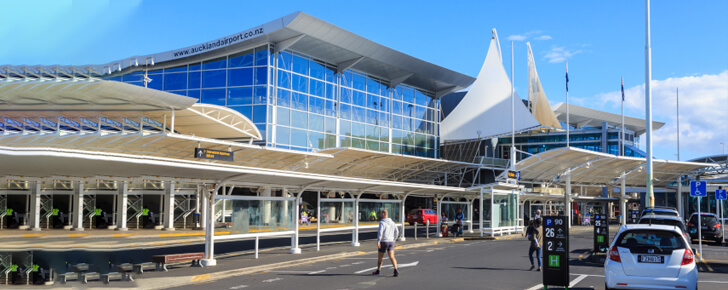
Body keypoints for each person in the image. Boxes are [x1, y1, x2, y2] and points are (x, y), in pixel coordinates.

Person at [373, 210, 400, 277]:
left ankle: (378, 270)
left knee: (380, 257)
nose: (380, 215)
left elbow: (380, 233)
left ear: (383, 214)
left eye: (381, 214)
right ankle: (395, 269)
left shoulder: (382, 223)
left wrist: (378, 241)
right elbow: (397, 231)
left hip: (383, 241)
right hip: (391, 242)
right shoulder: (392, 222)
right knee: (392, 256)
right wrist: (394, 239)